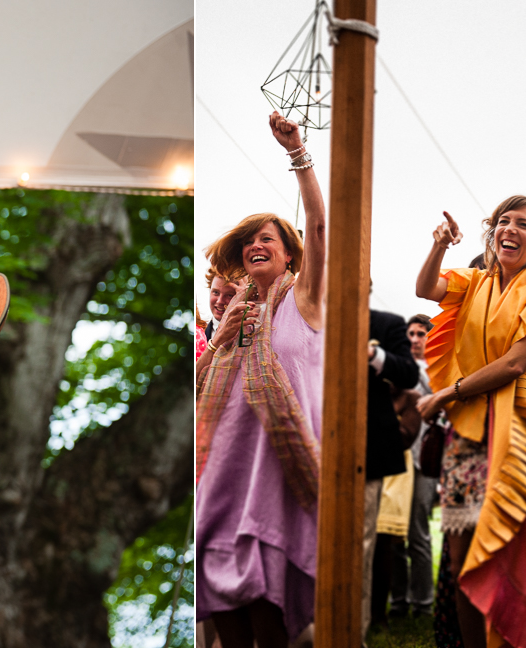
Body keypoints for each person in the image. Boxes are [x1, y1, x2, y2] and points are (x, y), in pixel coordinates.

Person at [414, 196, 526, 648]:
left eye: (522, 224)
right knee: (459, 562)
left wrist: (445, 395)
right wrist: (439, 246)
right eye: (503, 222)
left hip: (515, 431)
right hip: (466, 433)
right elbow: (425, 289)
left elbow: (515, 364)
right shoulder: (474, 282)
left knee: (504, 560)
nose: (510, 229)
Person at [194, 111, 327, 648]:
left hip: (278, 466)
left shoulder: (306, 298)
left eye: (267, 238)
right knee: (222, 597)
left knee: (267, 609)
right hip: (225, 468)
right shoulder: (234, 314)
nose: (256, 244)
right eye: (249, 240)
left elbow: (319, 223)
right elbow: (198, 393)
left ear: (290, 253)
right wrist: (222, 334)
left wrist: (297, 154)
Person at [362, 308, 421, 637]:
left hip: (371, 451)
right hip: (306, 442)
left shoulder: (385, 324)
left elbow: (409, 374)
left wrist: (371, 353)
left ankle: (360, 629)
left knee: (369, 543)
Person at [390, 314, 437, 619]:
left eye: (421, 334)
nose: (415, 339)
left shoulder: (439, 371)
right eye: (411, 334)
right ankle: (398, 600)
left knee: (418, 533)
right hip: (396, 459)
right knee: (393, 533)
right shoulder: (397, 369)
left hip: (424, 460)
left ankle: (423, 603)